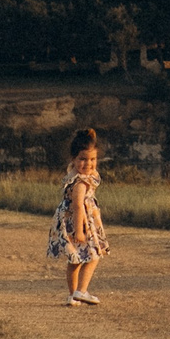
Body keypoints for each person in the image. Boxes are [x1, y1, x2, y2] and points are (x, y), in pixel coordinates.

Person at [46, 128, 108, 307]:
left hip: (70, 221)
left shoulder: (75, 176)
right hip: (78, 222)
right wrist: (80, 230)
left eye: (92, 159)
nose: (88, 164)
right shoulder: (80, 182)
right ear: (73, 159)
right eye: (82, 159)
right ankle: (82, 290)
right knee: (93, 256)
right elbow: (78, 206)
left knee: (74, 259)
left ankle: (73, 295)